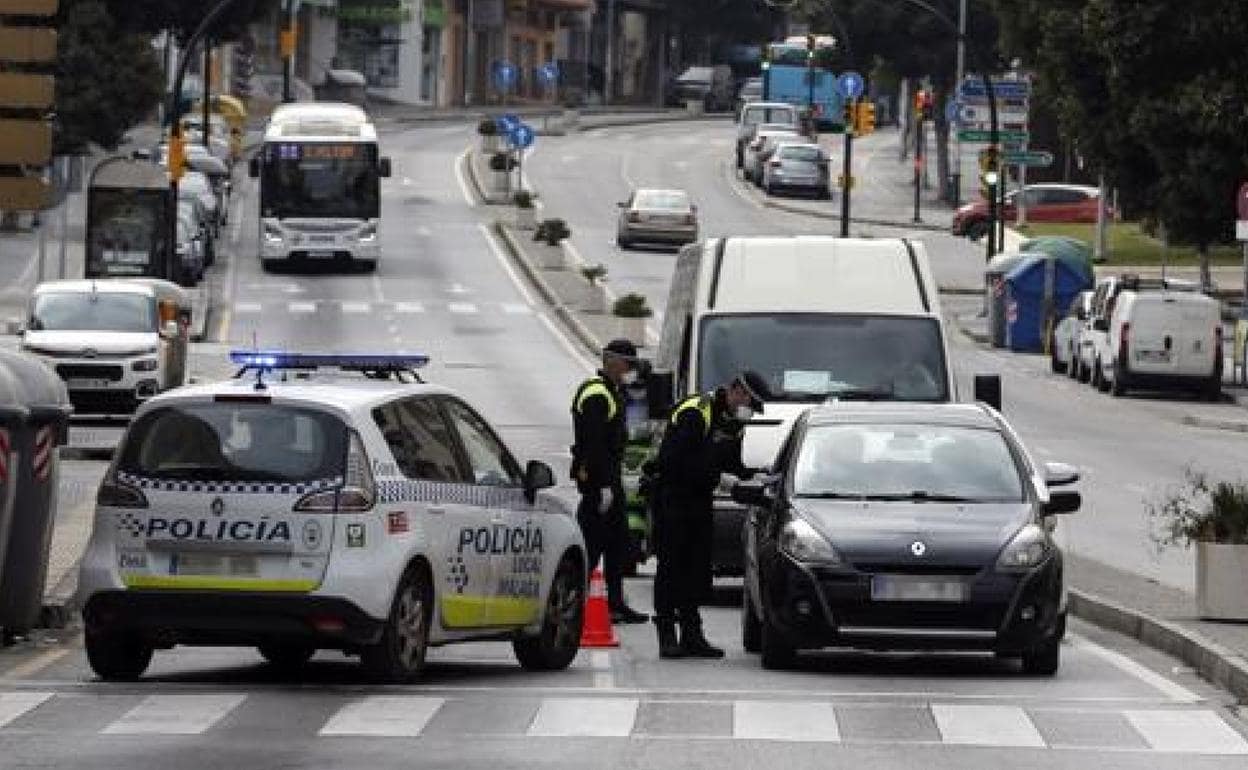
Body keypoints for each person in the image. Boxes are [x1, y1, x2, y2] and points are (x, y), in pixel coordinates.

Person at [652, 370, 769, 659]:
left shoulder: (733, 423)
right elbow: (673, 462)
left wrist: (757, 476)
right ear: (737, 391)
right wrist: (719, 477)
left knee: (696, 569)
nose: (749, 412)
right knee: (671, 568)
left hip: (700, 501)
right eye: (749, 404)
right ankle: (667, 633)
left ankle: (692, 634)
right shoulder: (697, 412)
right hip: (673, 498)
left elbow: (733, 463)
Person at [570, 339, 649, 625]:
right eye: (628, 364)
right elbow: (594, 445)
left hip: (609, 479)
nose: (630, 370)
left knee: (617, 545)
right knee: (591, 547)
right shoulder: (596, 395)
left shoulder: (611, 391)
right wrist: (602, 486)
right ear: (612, 362)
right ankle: (575, 604)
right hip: (597, 482)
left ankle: (615, 604)